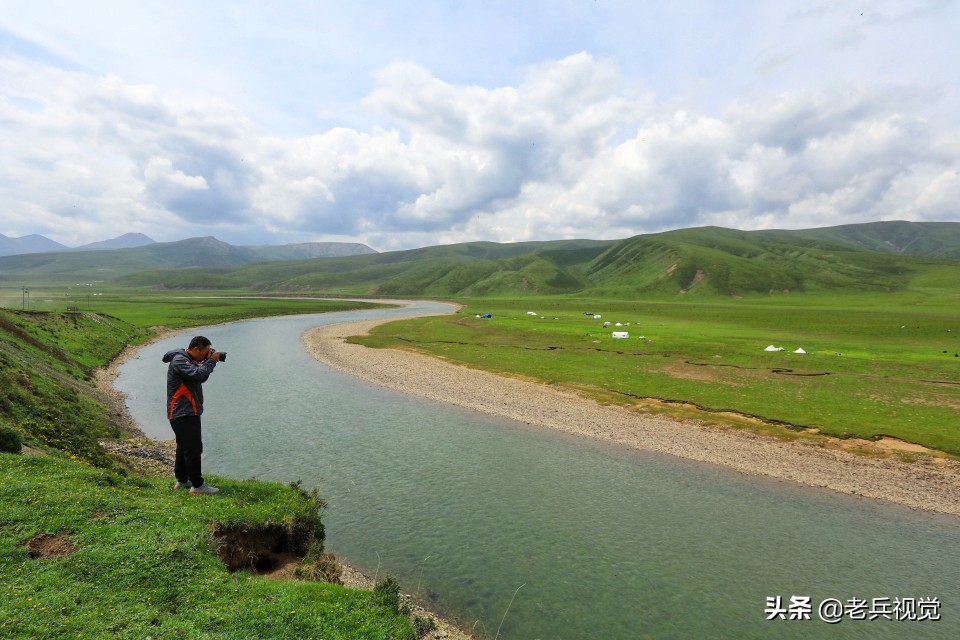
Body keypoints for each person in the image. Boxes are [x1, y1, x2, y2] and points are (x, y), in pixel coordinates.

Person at [162, 335, 223, 495]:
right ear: (196, 349)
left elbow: (199, 374)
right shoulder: (180, 361)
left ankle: (182, 480)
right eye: (205, 352)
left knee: (184, 446)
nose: (206, 355)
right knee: (194, 448)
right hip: (183, 411)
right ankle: (198, 486)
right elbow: (199, 375)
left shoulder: (187, 358)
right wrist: (211, 362)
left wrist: (207, 360)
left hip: (184, 411)